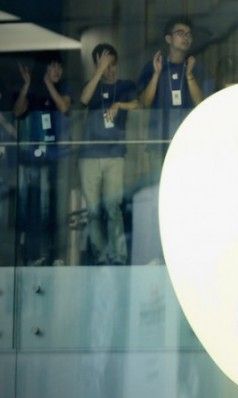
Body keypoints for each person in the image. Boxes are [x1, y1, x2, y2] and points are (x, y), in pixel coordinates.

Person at [79, 43, 138, 265]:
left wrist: (120, 105)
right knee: (93, 209)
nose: (110, 69)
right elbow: (84, 100)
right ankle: (100, 254)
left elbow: (140, 103)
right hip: (89, 155)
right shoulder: (92, 85)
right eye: (105, 65)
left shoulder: (125, 86)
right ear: (97, 65)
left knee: (113, 207)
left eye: (113, 64)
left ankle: (119, 255)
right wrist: (98, 72)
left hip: (115, 155)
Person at [13, 54, 71, 265]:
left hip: (51, 159)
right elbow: (18, 111)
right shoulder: (34, 89)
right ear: (45, 68)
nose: (57, 71)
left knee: (47, 208)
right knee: (26, 207)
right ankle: (24, 253)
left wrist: (50, 84)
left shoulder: (63, 89)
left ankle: (47, 254)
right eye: (53, 67)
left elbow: (64, 108)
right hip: (28, 159)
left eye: (59, 68)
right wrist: (28, 85)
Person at [137, 16, 205, 177]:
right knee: (158, 188)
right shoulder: (153, 65)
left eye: (189, 34)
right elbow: (144, 103)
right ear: (168, 38)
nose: (186, 37)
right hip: (158, 142)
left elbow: (201, 103)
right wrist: (156, 74)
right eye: (180, 33)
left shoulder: (196, 67)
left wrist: (188, 74)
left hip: (187, 142)